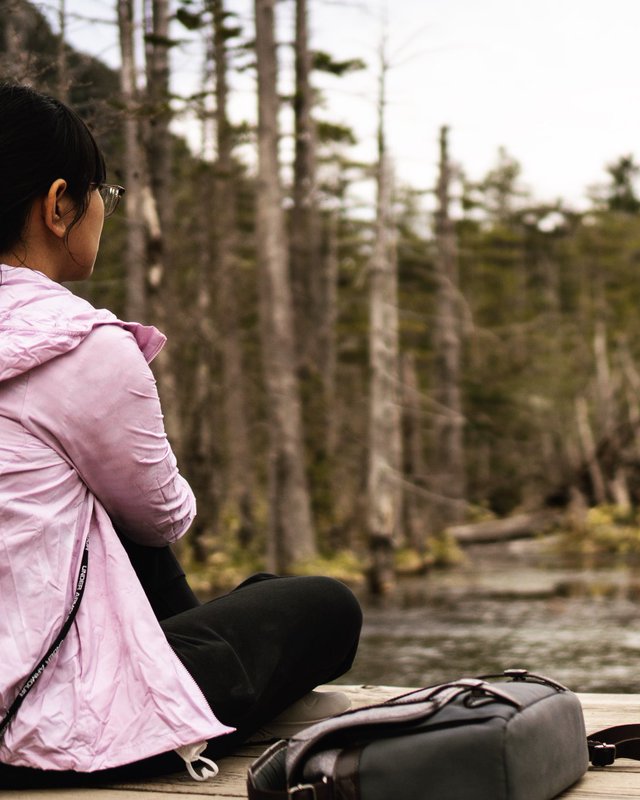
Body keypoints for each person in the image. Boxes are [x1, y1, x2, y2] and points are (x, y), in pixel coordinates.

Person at [0, 82, 362, 786]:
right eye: (102, 190)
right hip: (45, 732)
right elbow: (163, 514)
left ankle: (201, 654)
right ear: (58, 205)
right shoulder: (78, 346)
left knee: (97, 512)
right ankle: (178, 706)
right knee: (324, 607)